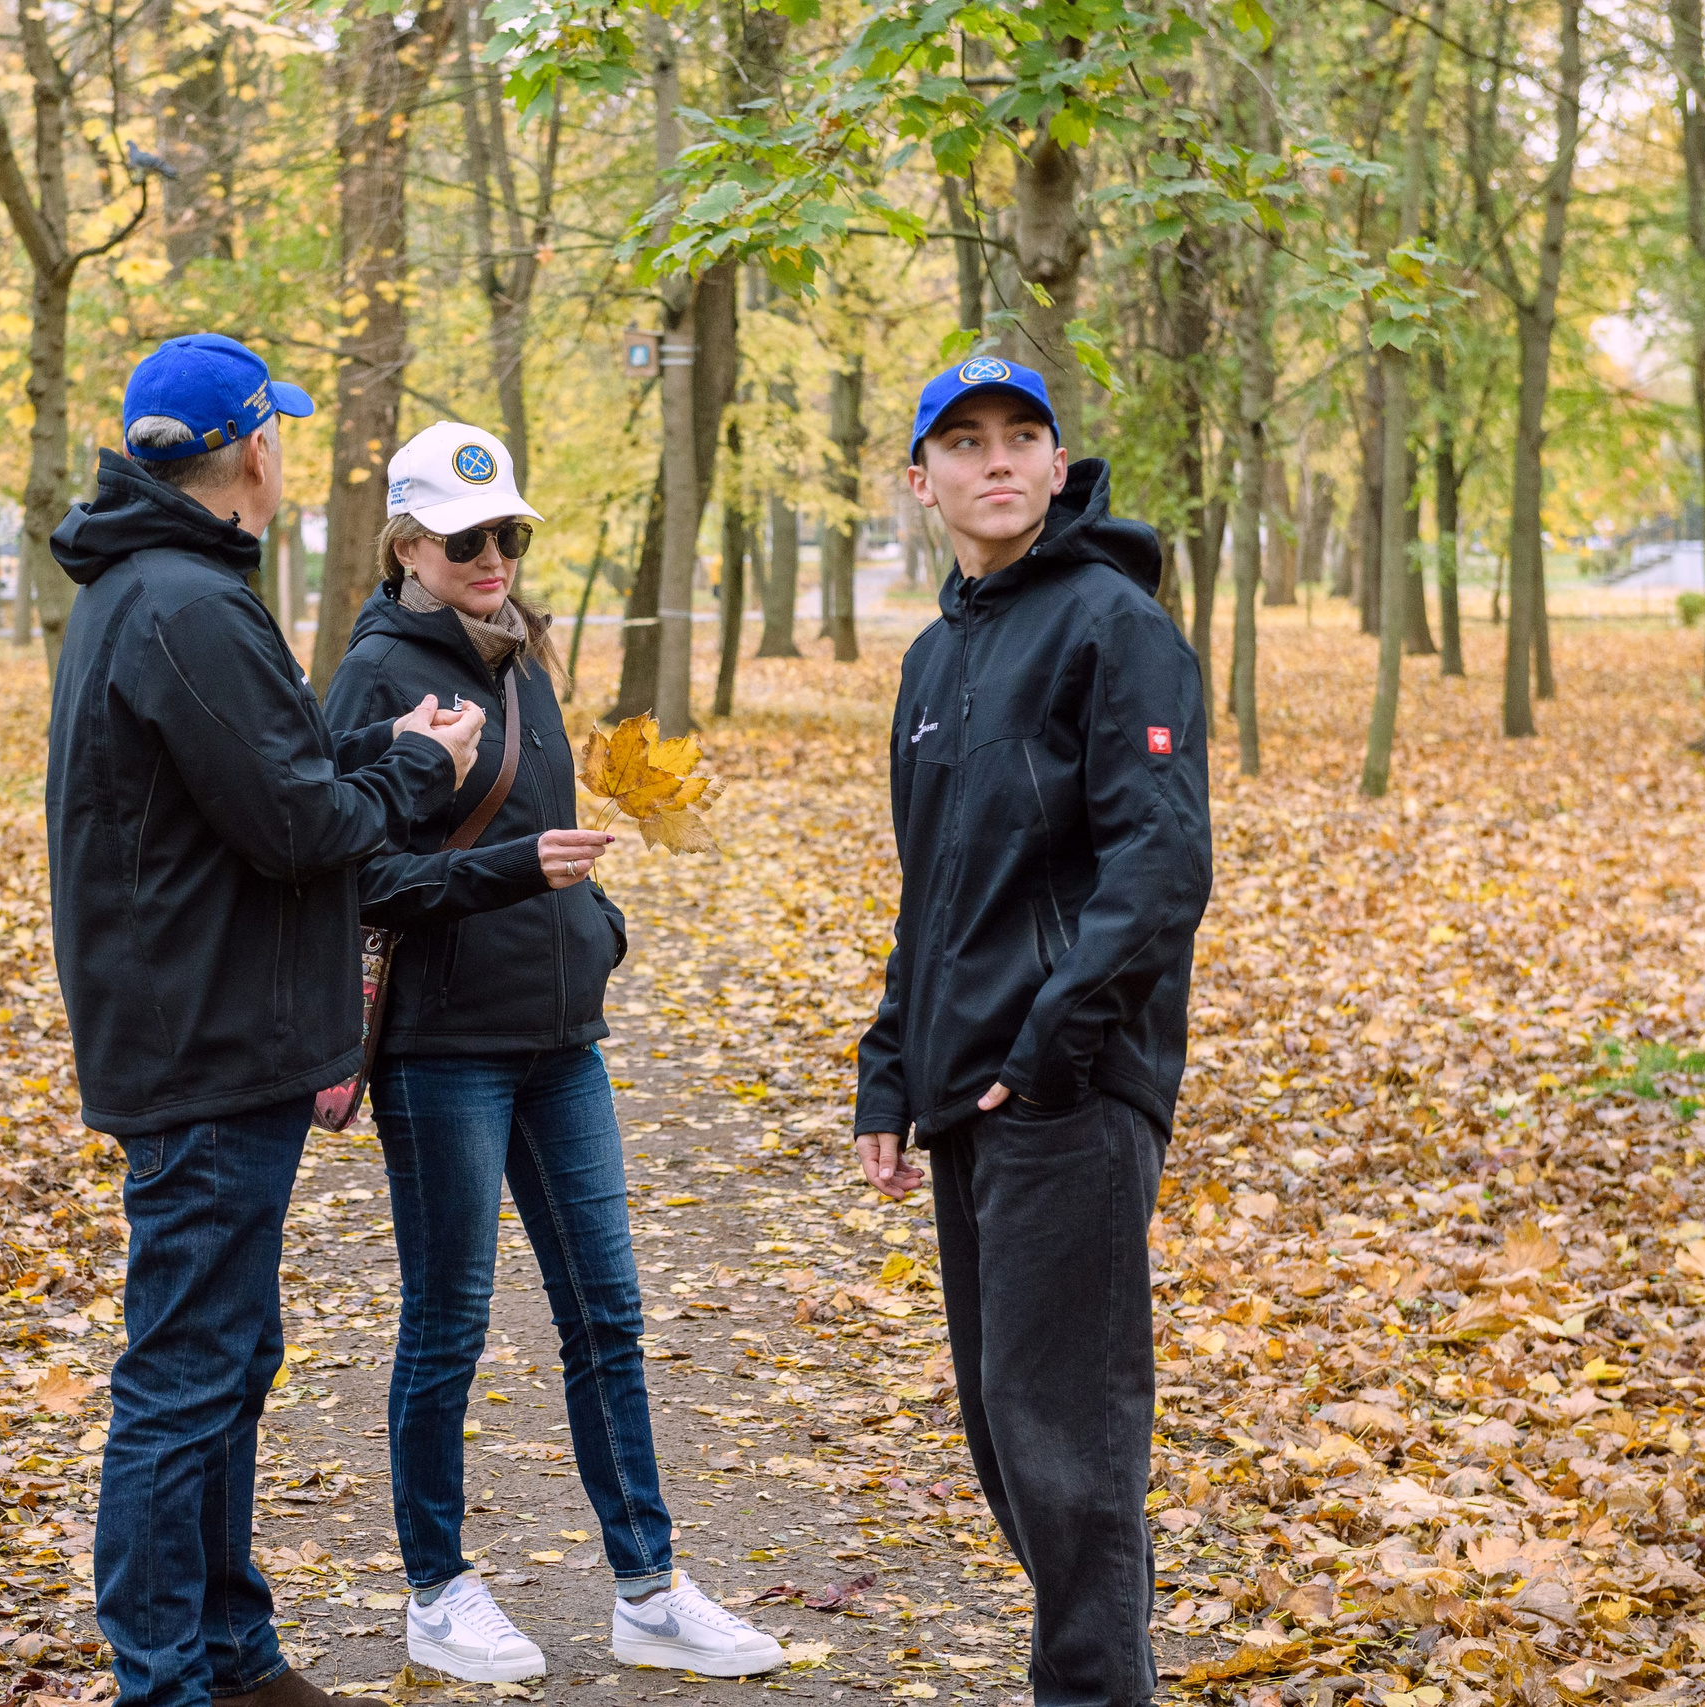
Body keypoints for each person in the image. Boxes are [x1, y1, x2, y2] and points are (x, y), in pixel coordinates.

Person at [47, 336, 486, 1707]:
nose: (283, 451)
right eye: (278, 431)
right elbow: (298, 827)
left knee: (231, 1355)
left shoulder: (161, 589)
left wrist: (379, 748)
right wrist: (419, 772)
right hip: (205, 1043)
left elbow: (259, 778)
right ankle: (164, 1678)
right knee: (186, 1373)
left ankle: (231, 1653)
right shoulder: (186, 602)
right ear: (254, 448)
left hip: (208, 1028)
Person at [321, 422, 785, 1685]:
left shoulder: (519, 655)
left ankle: (648, 1589)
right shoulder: (373, 679)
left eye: (509, 534)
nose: (492, 555)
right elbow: (359, 877)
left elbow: (542, 828)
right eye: (462, 538)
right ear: (405, 546)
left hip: (561, 1041)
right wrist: (517, 875)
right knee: (449, 1323)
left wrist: (595, 926)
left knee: (608, 1316)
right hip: (444, 1049)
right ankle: (436, 1590)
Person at [853, 357, 1212, 1707]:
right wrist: (889, 1069)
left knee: (1067, 1441)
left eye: (1021, 436)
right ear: (921, 480)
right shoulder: (935, 657)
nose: (994, 459)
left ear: (1058, 467)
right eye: (963, 441)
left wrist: (1052, 1046)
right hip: (968, 1089)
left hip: (1067, 1088)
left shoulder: (1115, 626)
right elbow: (934, 886)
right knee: (1010, 1433)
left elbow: (1159, 866)